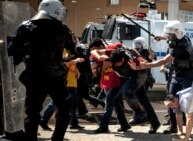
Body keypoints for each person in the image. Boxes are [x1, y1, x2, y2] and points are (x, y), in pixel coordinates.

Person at [7, 0, 75, 140]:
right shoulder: (63, 29)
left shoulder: (26, 26)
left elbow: (11, 51)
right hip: (56, 76)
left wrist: (27, 49)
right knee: (64, 109)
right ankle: (57, 138)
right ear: (56, 10)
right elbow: (72, 51)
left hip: (34, 76)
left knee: (32, 112)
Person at [129, 20, 193, 134]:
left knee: (187, 102)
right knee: (170, 99)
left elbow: (164, 61)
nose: (168, 36)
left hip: (187, 75)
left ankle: (192, 125)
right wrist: (162, 37)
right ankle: (173, 126)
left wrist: (145, 65)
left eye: (170, 34)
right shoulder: (180, 37)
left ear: (177, 33)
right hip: (176, 73)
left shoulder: (181, 46)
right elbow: (172, 37)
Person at [108, 47, 161, 134]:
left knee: (127, 91)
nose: (115, 65)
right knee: (143, 100)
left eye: (117, 63)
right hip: (129, 76)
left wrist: (140, 62)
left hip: (140, 73)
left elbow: (146, 63)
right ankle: (155, 123)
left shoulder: (131, 57)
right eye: (114, 63)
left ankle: (140, 113)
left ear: (122, 59)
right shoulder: (114, 60)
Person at [90, 43, 131, 133]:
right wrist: (100, 57)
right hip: (108, 81)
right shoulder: (110, 52)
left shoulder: (124, 56)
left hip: (119, 82)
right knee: (115, 103)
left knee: (108, 101)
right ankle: (124, 125)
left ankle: (103, 126)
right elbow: (93, 52)